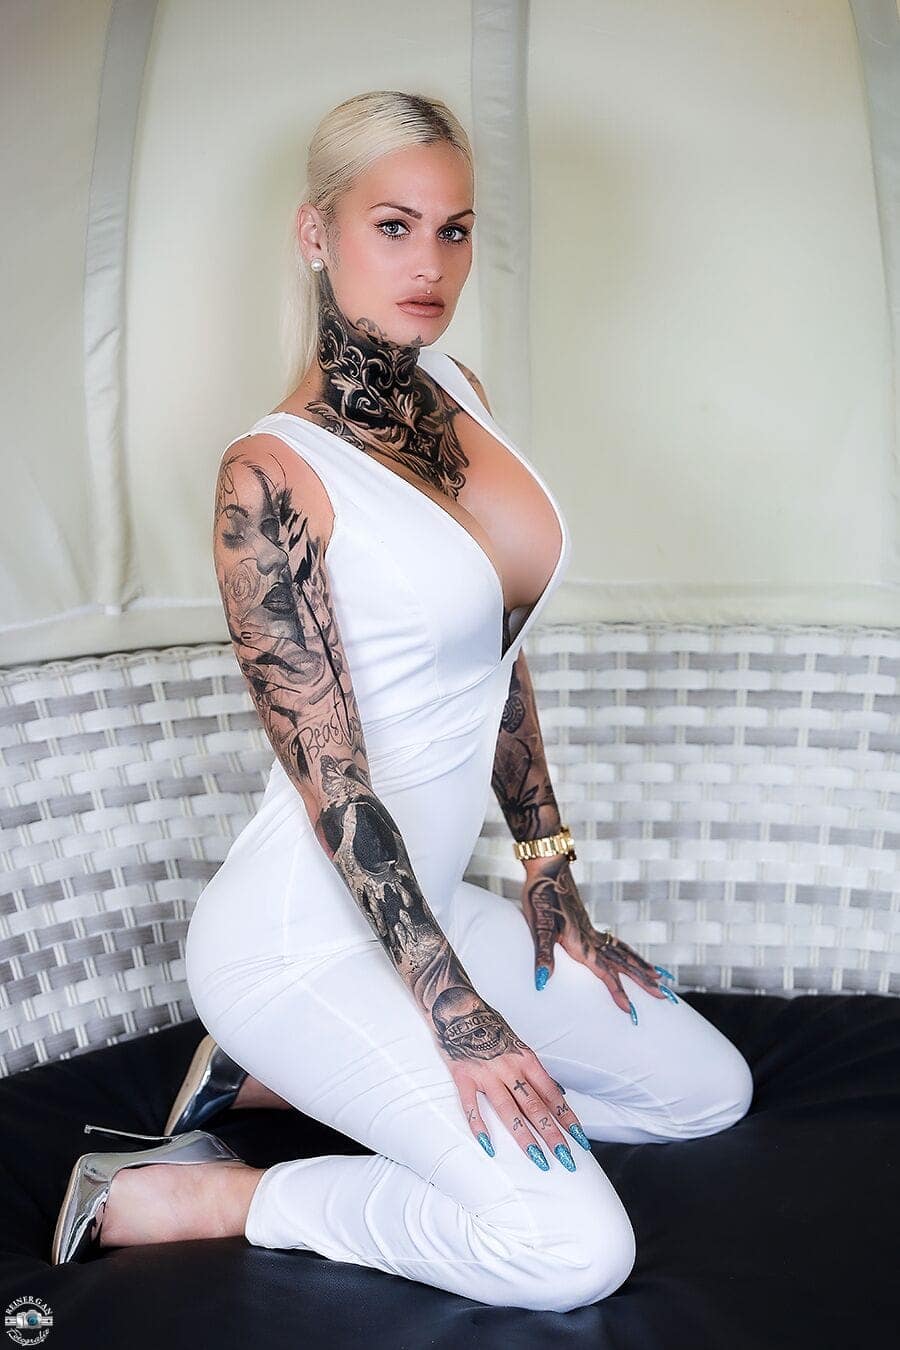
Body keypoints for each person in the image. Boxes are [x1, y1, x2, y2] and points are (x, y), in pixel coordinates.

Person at [51, 90, 753, 1311]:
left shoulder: (457, 390)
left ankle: (269, 1083)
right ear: (316, 234)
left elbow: (494, 646)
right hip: (299, 939)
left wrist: (549, 870)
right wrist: (454, 1009)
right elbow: (335, 784)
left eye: (455, 229)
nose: (430, 264)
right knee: (574, 1253)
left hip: (427, 902)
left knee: (706, 1094)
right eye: (393, 226)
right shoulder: (270, 477)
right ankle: (218, 1193)